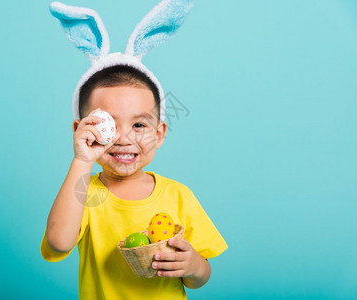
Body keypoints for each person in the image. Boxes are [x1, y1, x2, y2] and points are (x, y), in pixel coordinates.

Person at [42, 1, 227, 299]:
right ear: (81, 130)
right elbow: (58, 242)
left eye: (139, 126)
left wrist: (193, 266)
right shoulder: (86, 194)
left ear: (160, 133)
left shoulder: (179, 196)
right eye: (108, 125)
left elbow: (199, 277)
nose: (124, 139)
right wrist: (81, 159)